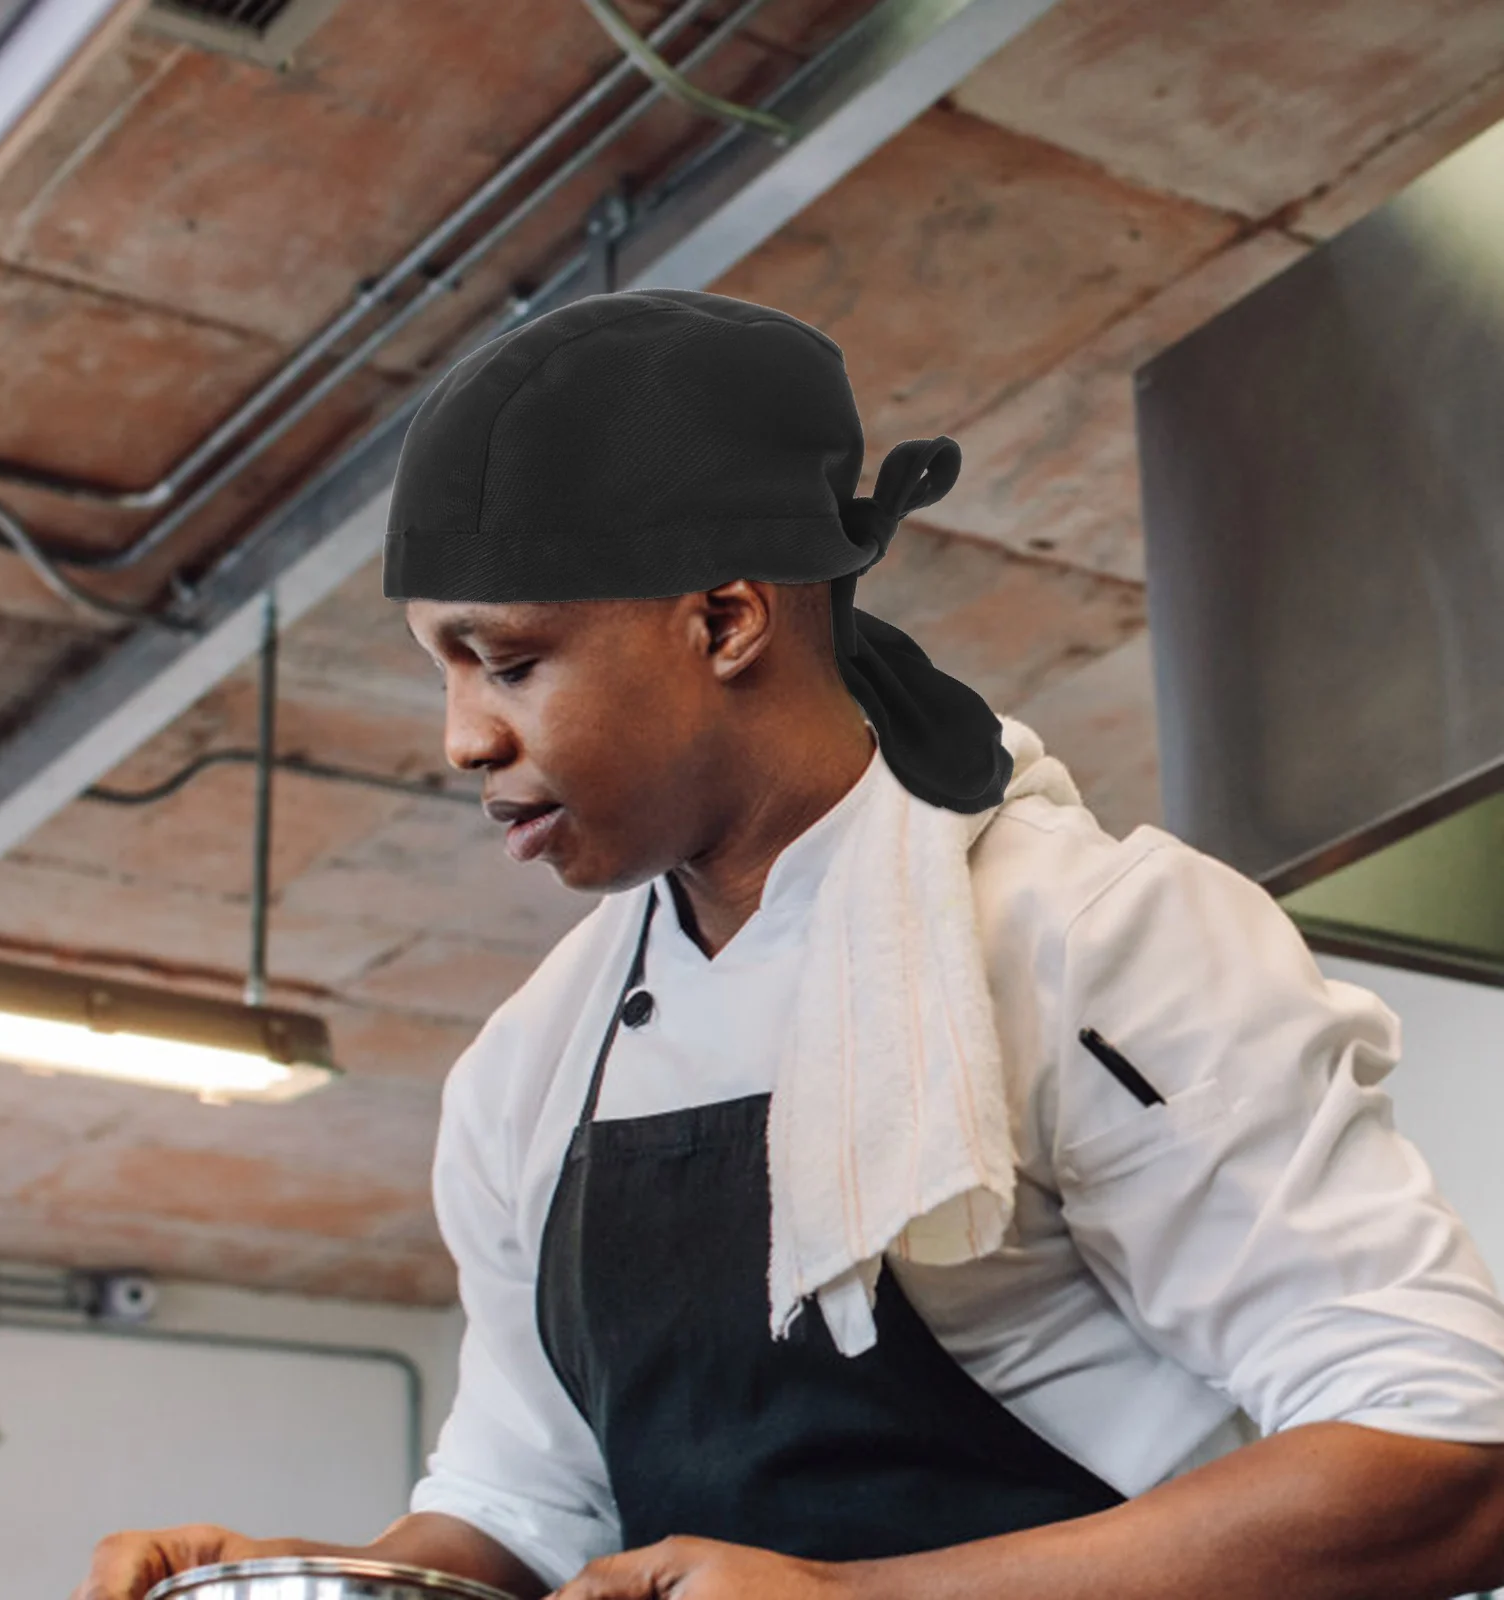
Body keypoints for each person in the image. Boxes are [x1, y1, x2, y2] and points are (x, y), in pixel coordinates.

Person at [74, 292, 1504, 1600]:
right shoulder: (526, 1072)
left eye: (506, 663)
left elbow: (1448, 1451)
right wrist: (312, 1582)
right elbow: (525, 1506)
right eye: (441, 670)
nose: (461, 740)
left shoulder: (1089, 942)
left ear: (725, 619)